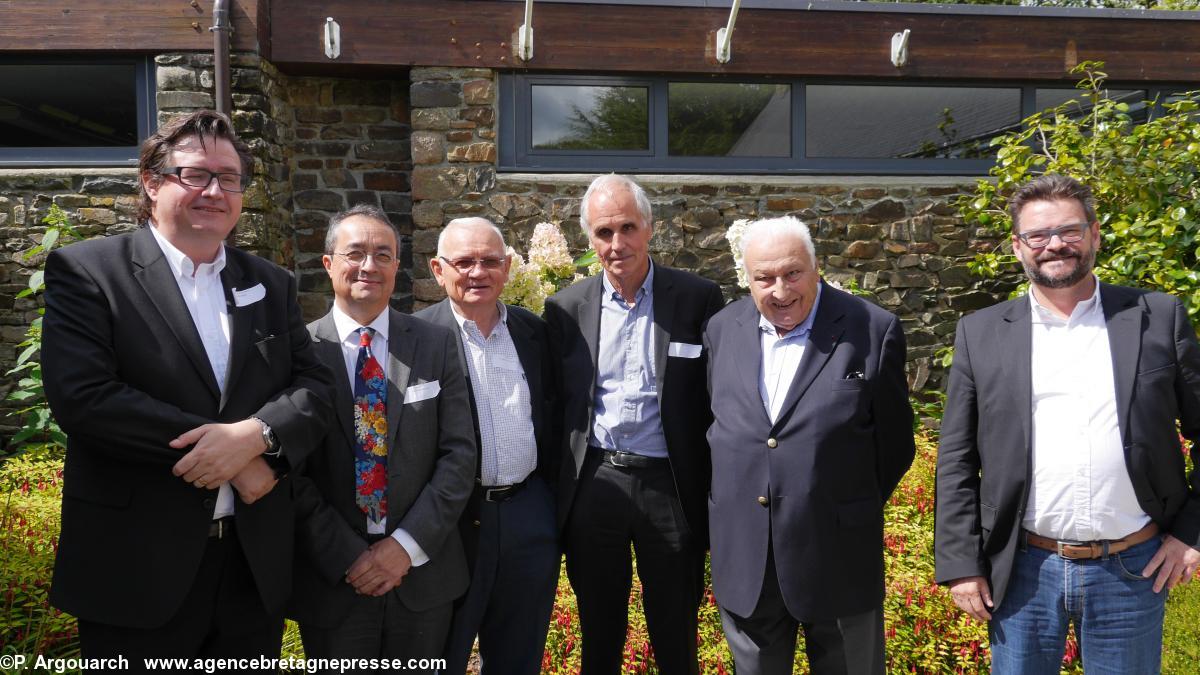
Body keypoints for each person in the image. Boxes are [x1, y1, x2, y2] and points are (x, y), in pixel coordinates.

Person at [41, 110, 333, 664]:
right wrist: (226, 453)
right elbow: (85, 397)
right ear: (152, 182)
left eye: (229, 177)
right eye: (194, 174)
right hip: (137, 567)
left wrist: (257, 437)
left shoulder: (269, 283)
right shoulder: (88, 272)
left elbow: (314, 384)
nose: (214, 191)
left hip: (252, 567)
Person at [935, 174, 1200, 673]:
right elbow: (956, 459)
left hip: (1132, 568)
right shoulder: (981, 332)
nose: (1055, 244)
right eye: (1038, 235)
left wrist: (1191, 534)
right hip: (1022, 571)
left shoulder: (1156, 317)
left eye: (1069, 230)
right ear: (1018, 247)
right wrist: (960, 565)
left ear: (1095, 235)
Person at [704, 215, 914, 675]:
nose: (780, 290)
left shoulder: (871, 330)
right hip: (748, 563)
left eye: (792, 273)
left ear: (816, 267)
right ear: (748, 278)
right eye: (764, 277)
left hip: (838, 558)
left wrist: (836, 504)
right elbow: (718, 432)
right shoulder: (721, 330)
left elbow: (895, 446)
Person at [543, 174, 725, 675]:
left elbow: (717, 397)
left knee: (675, 629)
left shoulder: (697, 299)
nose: (617, 243)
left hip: (670, 484)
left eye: (628, 227)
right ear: (589, 239)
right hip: (596, 483)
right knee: (598, 631)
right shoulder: (565, 309)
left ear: (649, 228)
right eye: (604, 232)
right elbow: (558, 404)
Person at [288, 205, 476, 672]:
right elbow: (289, 471)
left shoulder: (435, 344)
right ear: (329, 263)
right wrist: (350, 556)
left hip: (423, 577)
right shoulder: (298, 352)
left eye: (383, 255)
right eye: (355, 253)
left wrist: (403, 548)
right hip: (335, 579)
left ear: (397, 267)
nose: (369, 266)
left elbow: (459, 455)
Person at [414, 217, 560, 675]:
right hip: (451, 523)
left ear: (509, 267)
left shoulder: (535, 332)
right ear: (439, 270)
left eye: (490, 261)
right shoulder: (415, 338)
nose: (478, 272)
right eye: (464, 262)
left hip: (527, 516)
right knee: (443, 653)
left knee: (519, 656)